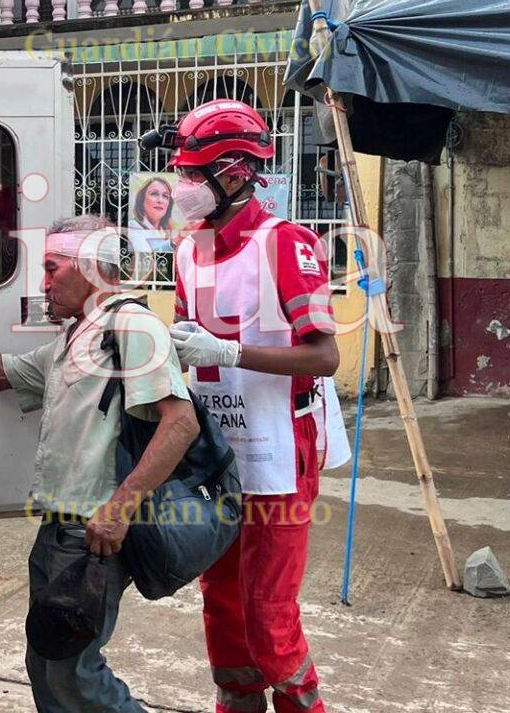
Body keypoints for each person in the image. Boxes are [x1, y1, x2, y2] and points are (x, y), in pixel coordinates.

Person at [0, 215, 200, 713]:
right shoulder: (72, 339)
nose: (43, 283)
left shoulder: (132, 325)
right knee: (44, 664)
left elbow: (180, 424)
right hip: (56, 531)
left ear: (92, 268)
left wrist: (119, 508)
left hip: (94, 535)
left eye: (52, 268)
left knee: (74, 674)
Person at [163, 99, 341, 713]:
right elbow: (190, 345)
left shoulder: (286, 244)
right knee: (223, 604)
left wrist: (232, 351)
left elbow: (324, 358)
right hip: (218, 451)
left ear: (235, 174)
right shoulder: (187, 250)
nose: (181, 188)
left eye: (192, 175)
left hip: (280, 453)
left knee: (269, 614)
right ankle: (236, 703)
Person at [127, 175, 177, 254]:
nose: (160, 200)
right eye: (154, 194)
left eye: (165, 196)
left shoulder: (166, 231)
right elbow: (146, 255)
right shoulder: (134, 227)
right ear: (142, 199)